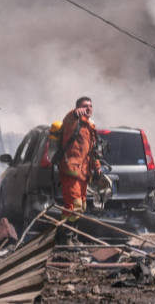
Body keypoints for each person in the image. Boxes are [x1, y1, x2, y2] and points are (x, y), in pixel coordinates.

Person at [57, 96, 101, 245]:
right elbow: (68, 119)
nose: (88, 108)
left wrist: (97, 168)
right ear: (78, 108)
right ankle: (64, 238)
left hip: (83, 174)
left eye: (90, 106)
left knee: (81, 207)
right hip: (71, 172)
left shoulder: (90, 127)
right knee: (72, 207)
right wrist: (75, 112)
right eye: (84, 106)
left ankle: (73, 237)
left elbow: (93, 151)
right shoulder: (73, 123)